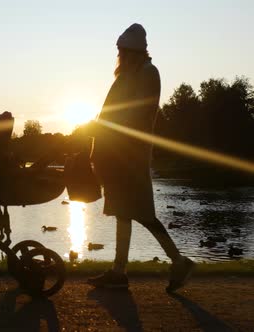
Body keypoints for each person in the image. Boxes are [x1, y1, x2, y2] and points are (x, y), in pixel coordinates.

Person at [86, 23, 194, 292]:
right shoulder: (127, 75)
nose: (120, 56)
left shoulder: (147, 73)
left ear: (133, 51)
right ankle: (119, 271)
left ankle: (179, 262)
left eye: (123, 51)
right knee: (123, 210)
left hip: (131, 154)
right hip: (117, 152)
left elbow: (137, 113)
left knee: (142, 213)